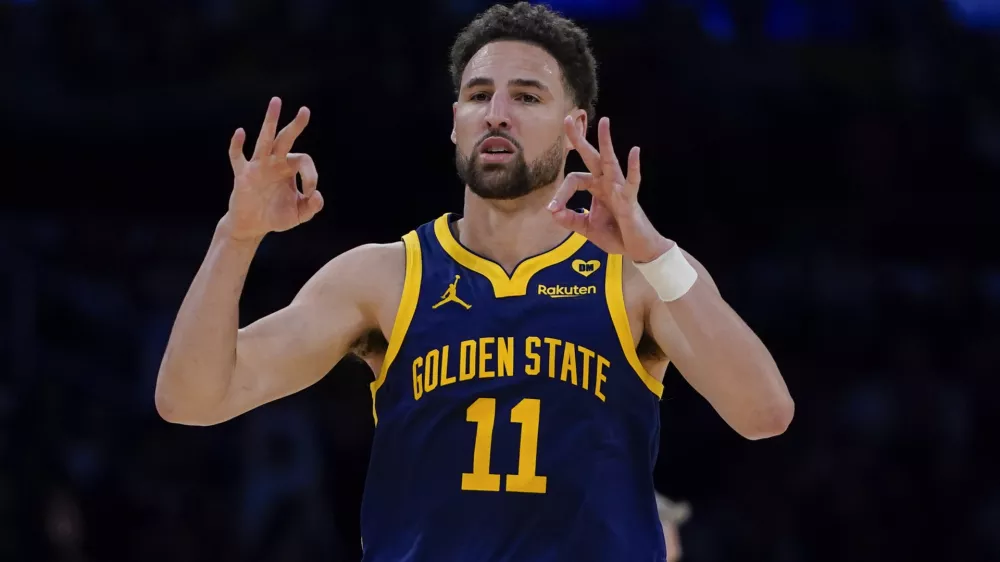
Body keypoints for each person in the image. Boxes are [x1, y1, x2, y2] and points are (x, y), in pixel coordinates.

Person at [154, 3, 794, 560]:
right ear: (454, 120)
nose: (498, 113)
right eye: (478, 93)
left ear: (576, 127)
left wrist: (656, 251)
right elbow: (191, 401)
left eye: (527, 96)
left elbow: (764, 413)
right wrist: (234, 238)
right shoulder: (384, 276)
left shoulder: (639, 277)